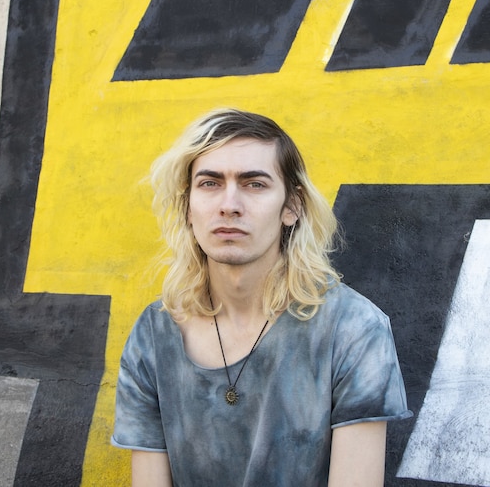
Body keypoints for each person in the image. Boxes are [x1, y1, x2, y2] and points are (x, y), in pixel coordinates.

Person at [112, 108, 411, 486]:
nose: (229, 204)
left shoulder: (352, 330)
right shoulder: (153, 335)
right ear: (188, 208)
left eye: (254, 184)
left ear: (292, 207)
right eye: (209, 183)